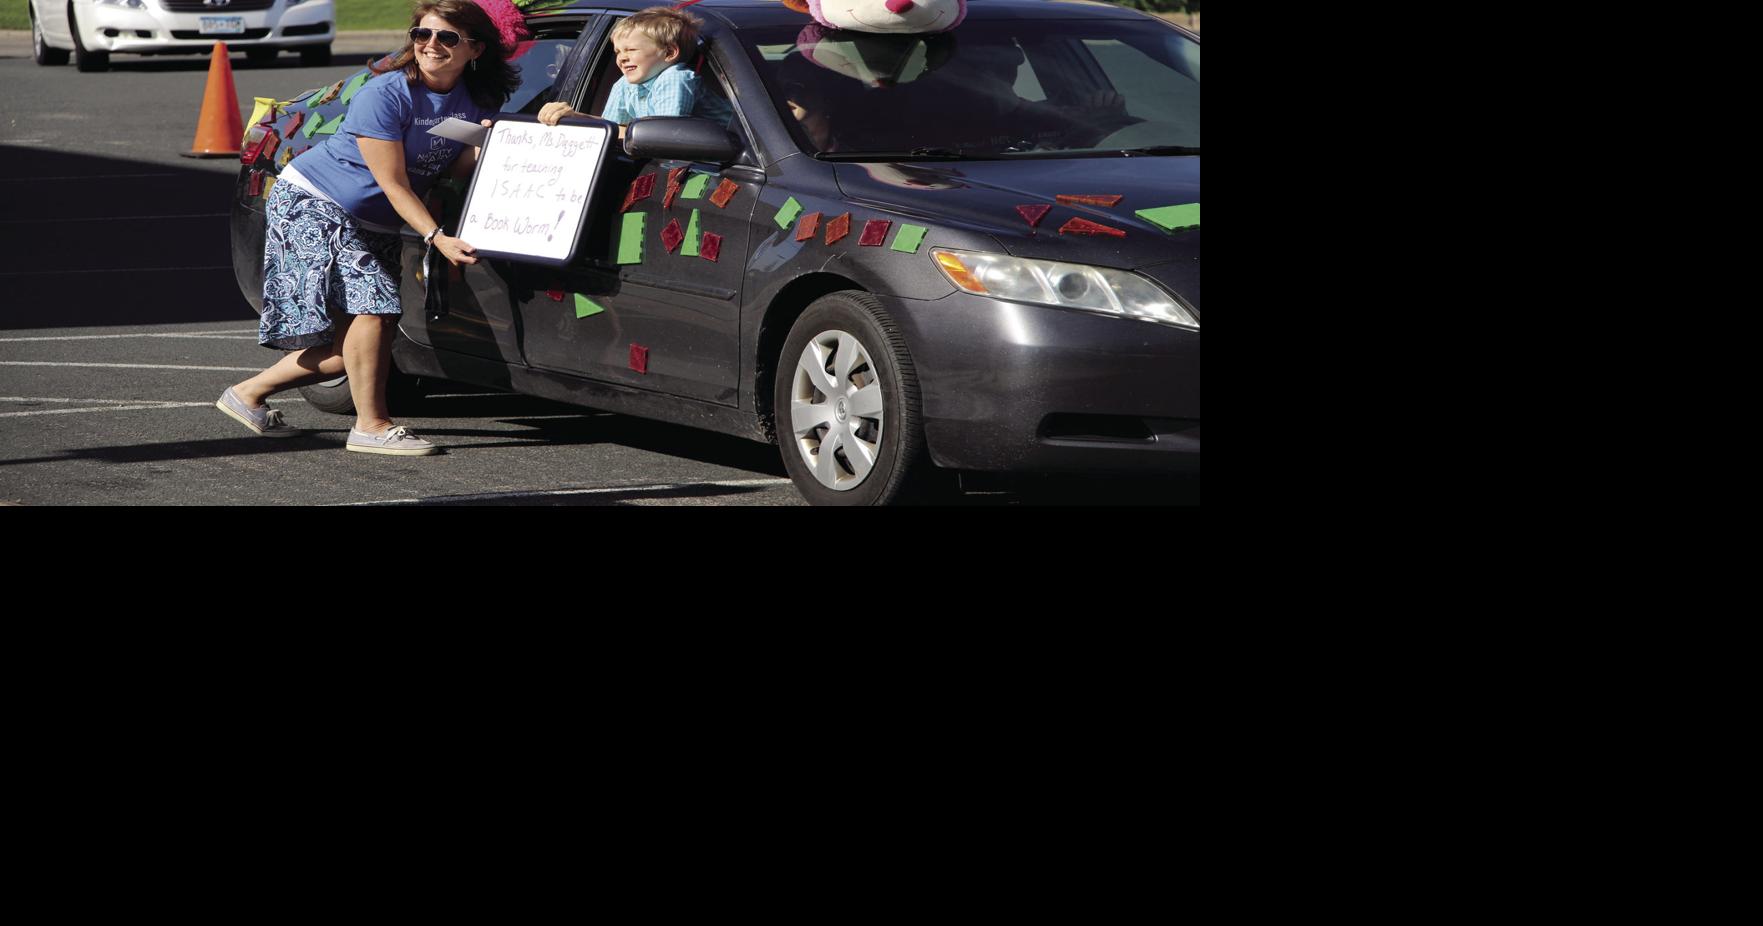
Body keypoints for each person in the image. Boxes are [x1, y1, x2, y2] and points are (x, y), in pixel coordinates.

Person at [216, 0, 523, 456]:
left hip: (375, 217)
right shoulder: (388, 93)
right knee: (376, 308)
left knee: (356, 347)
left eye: (447, 37)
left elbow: (451, 167)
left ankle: (246, 394)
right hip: (315, 201)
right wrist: (436, 236)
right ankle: (371, 427)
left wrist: (493, 145)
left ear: (475, 49)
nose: (431, 45)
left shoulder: (478, 98)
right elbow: (395, 183)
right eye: (422, 35)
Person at [534, 7, 707, 137]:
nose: (622, 58)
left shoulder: (675, 78)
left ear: (669, 53)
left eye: (631, 49)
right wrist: (573, 117)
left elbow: (662, 137)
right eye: (617, 52)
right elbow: (613, 128)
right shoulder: (624, 84)